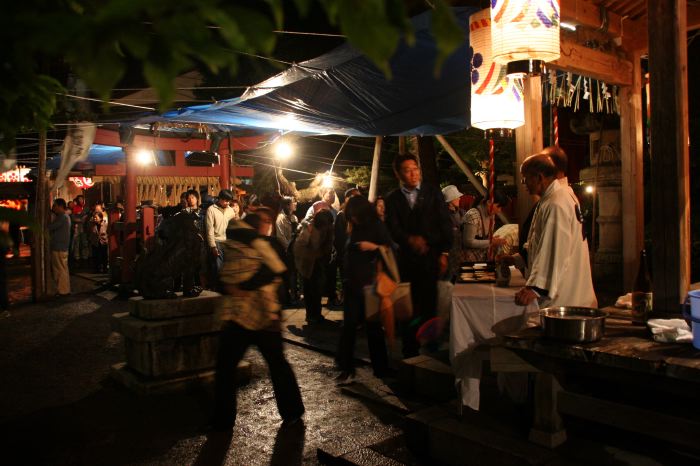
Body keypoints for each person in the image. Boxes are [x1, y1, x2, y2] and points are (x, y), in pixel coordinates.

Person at [211, 209, 304, 431]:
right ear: (259, 224)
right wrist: (242, 285)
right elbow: (278, 269)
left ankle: (222, 421)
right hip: (262, 313)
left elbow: (226, 276)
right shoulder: (262, 244)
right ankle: (292, 411)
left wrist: (238, 286)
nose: (268, 224)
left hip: (242, 313)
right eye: (266, 221)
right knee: (275, 363)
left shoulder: (235, 242)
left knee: (227, 367)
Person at [384, 153, 452, 357]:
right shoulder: (393, 199)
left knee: (430, 304)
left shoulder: (433, 193)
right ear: (398, 173)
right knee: (409, 307)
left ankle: (431, 346)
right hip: (407, 261)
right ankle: (410, 349)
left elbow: (444, 223)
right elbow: (392, 229)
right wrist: (409, 239)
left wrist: (444, 252)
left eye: (416, 169)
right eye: (407, 170)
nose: (413, 174)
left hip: (431, 258)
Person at [514, 154, 597, 308]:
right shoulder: (554, 197)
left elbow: (554, 248)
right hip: (569, 290)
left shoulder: (556, 203)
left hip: (565, 297)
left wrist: (536, 288)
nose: (524, 183)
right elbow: (538, 244)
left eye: (525, 178)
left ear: (539, 177)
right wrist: (518, 259)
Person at [335, 196, 391, 384]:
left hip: (371, 283)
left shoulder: (376, 225)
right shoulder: (354, 225)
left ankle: (381, 368)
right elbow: (347, 249)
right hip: (352, 282)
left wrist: (372, 247)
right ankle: (345, 367)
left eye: (354, 215)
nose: (353, 218)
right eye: (350, 216)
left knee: (374, 327)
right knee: (349, 326)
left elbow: (389, 248)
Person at [294, 209, 334, 324]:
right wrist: (314, 254)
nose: (328, 226)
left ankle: (316, 314)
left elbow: (327, 245)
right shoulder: (309, 228)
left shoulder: (328, 228)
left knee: (317, 290)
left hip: (319, 263)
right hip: (308, 264)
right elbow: (299, 247)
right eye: (327, 224)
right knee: (310, 290)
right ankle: (311, 315)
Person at [461, 190, 509, 262]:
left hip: (482, 258)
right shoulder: (473, 215)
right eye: (498, 207)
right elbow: (468, 242)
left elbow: (486, 238)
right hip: (469, 260)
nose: (499, 210)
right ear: (489, 202)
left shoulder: (491, 216)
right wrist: (491, 242)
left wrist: (494, 240)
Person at [333, 188, 361, 306]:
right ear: (347, 199)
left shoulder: (360, 214)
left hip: (358, 256)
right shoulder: (341, 215)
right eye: (354, 197)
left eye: (359, 197)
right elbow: (339, 239)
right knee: (347, 284)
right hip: (346, 256)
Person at [206, 189, 235, 282]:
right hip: (217, 241)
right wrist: (213, 246)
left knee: (229, 266)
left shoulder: (231, 211)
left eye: (229, 201)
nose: (227, 203)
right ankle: (220, 286)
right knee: (219, 266)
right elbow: (209, 229)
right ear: (220, 199)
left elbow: (233, 227)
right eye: (225, 200)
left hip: (228, 242)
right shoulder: (211, 210)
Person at [275, 196, 299, 305]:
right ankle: (288, 296)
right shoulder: (280, 218)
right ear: (287, 205)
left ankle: (295, 294)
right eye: (294, 202)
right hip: (286, 251)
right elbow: (280, 237)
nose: (296, 203)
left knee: (294, 273)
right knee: (289, 274)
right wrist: (289, 247)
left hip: (294, 250)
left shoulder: (294, 217)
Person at [48, 198, 72, 296]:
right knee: (60, 269)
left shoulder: (62, 217)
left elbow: (50, 227)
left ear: (60, 206)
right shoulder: (64, 216)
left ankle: (63, 291)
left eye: (55, 205)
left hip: (59, 247)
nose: (54, 208)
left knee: (60, 270)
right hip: (60, 247)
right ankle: (62, 290)